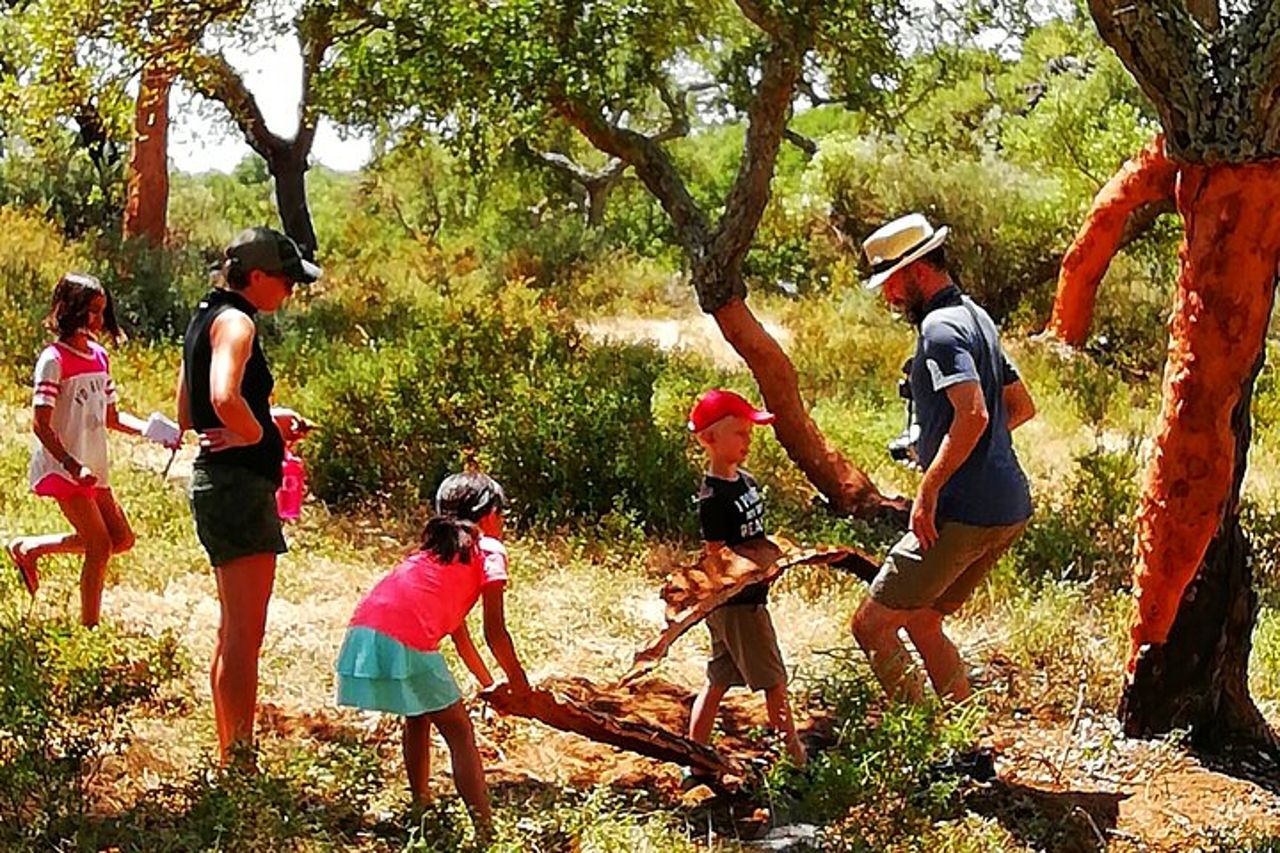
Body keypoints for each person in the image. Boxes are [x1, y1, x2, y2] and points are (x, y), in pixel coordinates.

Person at [852, 213, 1036, 704]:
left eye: (891, 283)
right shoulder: (978, 318)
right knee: (922, 619)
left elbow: (973, 415)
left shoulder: (939, 329)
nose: (890, 298)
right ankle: (963, 744)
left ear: (915, 271)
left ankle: (929, 746)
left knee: (872, 626)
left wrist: (930, 485)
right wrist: (950, 448)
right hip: (1007, 505)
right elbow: (1019, 407)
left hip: (962, 510)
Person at [177, 226, 321, 765]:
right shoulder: (237, 322)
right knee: (244, 636)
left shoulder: (202, 317)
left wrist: (261, 421)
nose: (288, 290)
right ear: (257, 277)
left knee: (231, 630)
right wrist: (260, 434)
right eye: (284, 280)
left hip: (215, 480)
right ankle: (238, 758)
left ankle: (229, 750)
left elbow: (190, 413)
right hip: (239, 486)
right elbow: (222, 395)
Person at [335, 472, 529, 835]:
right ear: (489, 514)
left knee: (417, 715)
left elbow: (460, 634)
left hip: (366, 626)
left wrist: (489, 684)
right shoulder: (489, 550)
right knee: (460, 732)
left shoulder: (436, 552)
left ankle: (420, 808)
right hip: (406, 637)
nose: (503, 524)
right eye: (502, 514)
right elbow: (495, 632)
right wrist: (521, 685)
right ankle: (486, 832)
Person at [6, 272, 178, 626]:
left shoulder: (99, 357)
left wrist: (152, 430)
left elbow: (112, 417)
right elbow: (41, 424)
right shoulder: (53, 360)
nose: (98, 320)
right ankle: (90, 630)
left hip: (93, 466)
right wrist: (71, 465)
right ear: (70, 310)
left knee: (121, 539)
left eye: (102, 312)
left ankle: (30, 548)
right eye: (91, 312)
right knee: (99, 548)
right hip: (63, 468)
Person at [685, 389, 806, 772]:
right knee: (774, 680)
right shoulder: (712, 498)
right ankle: (796, 761)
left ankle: (694, 756)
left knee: (719, 677)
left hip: (749, 597)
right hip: (738, 603)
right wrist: (744, 578)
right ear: (709, 440)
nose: (746, 442)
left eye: (748, 434)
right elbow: (717, 558)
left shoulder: (746, 482)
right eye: (738, 433)